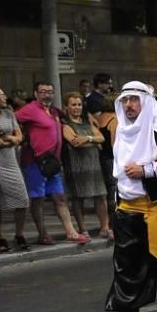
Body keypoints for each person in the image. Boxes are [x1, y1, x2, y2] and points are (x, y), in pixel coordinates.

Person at [99, 82, 157, 312]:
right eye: (125, 100)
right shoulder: (122, 129)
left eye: (134, 100)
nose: (129, 106)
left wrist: (146, 170)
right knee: (126, 269)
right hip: (127, 211)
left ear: (145, 101)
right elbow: (121, 171)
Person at [14, 81, 87, 245]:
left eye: (50, 91)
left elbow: (67, 116)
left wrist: (88, 117)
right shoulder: (29, 110)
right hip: (34, 161)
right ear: (35, 94)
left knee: (60, 197)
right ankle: (42, 234)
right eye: (43, 91)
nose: (47, 94)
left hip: (53, 162)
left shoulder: (54, 111)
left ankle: (71, 232)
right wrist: (21, 137)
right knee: (38, 198)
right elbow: (12, 119)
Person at [61, 92, 110, 239]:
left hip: (94, 166)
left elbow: (101, 138)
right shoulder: (66, 125)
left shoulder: (87, 123)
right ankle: (83, 229)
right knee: (78, 198)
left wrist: (88, 138)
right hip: (77, 167)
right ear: (66, 107)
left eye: (79, 104)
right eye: (73, 104)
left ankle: (104, 227)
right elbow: (75, 142)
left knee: (101, 196)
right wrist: (93, 142)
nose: (77, 107)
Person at [0, 85, 30, 252]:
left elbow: (19, 136)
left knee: (22, 198)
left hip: (10, 159)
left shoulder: (8, 114)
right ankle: (0, 236)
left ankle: (19, 234)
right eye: (1, 95)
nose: (5, 97)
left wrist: (7, 140)